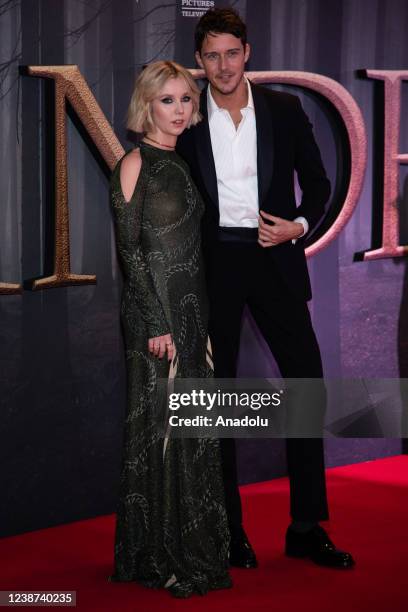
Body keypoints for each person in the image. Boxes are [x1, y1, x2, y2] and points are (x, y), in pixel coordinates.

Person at [177, 8, 355, 570]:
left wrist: (298, 227)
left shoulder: (284, 109)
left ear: (247, 53)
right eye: (212, 56)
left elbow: (322, 185)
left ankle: (305, 526)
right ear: (200, 62)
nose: (223, 65)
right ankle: (229, 530)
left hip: (274, 259)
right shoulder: (187, 122)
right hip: (214, 268)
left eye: (232, 52)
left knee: (306, 386)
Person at [109, 60, 232, 598]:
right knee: (161, 432)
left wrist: (191, 319)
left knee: (190, 430)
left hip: (191, 313)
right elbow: (130, 253)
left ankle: (186, 543)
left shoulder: (180, 162)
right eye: (167, 100)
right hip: (155, 320)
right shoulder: (136, 162)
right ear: (147, 105)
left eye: (185, 99)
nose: (179, 110)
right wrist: (158, 323)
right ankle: (159, 553)